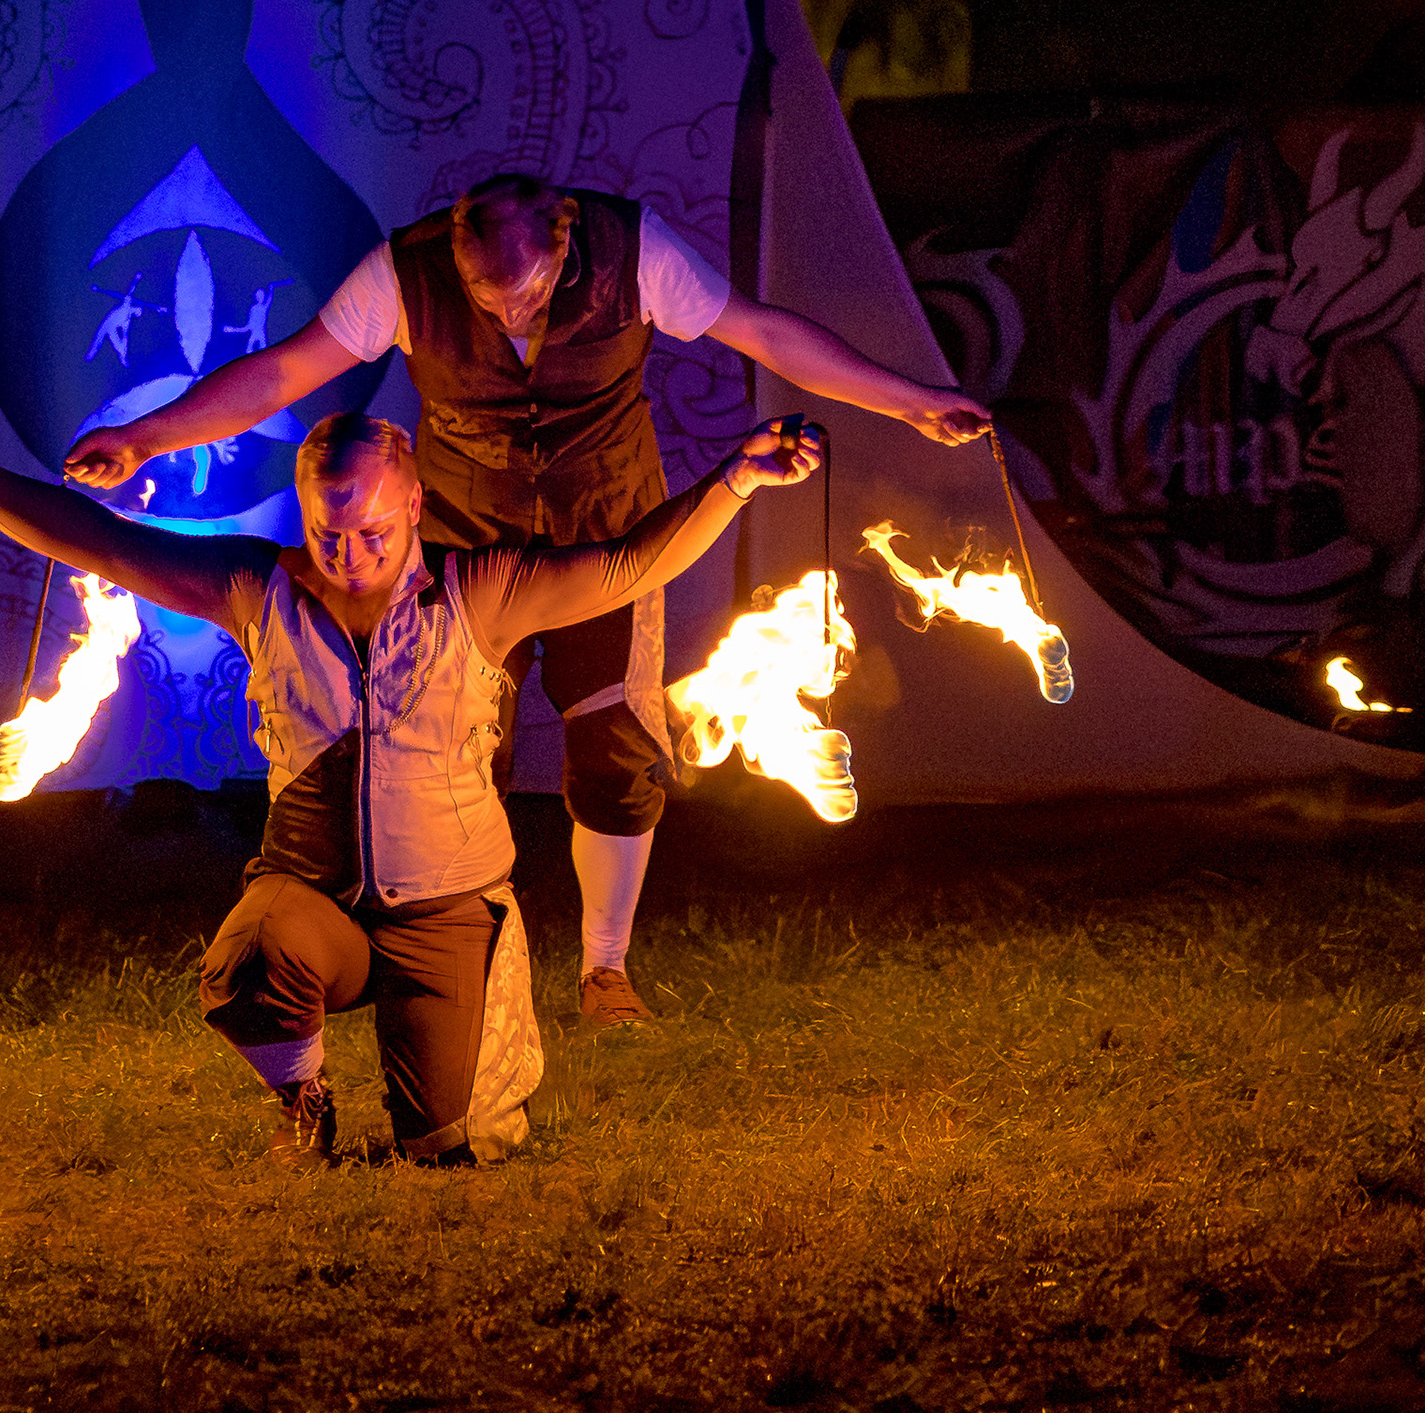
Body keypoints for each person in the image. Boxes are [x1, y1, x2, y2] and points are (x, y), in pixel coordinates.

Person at [63, 173, 989, 1029]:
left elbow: (768, 333)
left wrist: (908, 402)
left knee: (617, 749)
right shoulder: (406, 272)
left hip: (607, 535)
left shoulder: (636, 253)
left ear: (565, 238)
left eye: (533, 292)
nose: (511, 312)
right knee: (456, 754)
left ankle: (606, 970)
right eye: (487, 297)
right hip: (467, 546)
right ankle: (467, 965)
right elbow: (281, 373)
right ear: (457, 257)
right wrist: (147, 436)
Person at [0, 412, 825, 1165]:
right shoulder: (256, 587)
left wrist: (737, 477)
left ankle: (481, 1032)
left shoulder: (480, 590)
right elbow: (100, 542)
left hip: (447, 906)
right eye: (327, 530)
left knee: (448, 1148)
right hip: (314, 891)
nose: (348, 551)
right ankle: (304, 1104)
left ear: (411, 506)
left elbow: (624, 565)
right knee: (246, 968)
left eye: (367, 529)